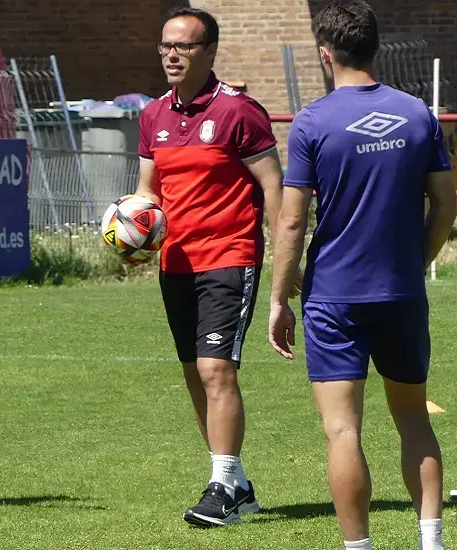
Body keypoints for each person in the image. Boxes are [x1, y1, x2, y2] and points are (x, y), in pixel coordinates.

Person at [267, 1, 456, 549]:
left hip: (333, 298)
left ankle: (358, 547)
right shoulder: (417, 113)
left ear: (326, 56)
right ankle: (431, 541)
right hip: (401, 292)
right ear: (375, 48)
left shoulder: (313, 121)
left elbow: (292, 219)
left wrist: (280, 298)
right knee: (414, 420)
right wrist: (417, 260)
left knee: (343, 430)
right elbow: (446, 203)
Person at [136, 7, 286, 528]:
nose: (171, 55)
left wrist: (283, 255)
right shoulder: (152, 115)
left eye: (184, 46)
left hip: (230, 254)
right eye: (164, 46)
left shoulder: (239, 112)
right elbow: (147, 193)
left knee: (215, 369)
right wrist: (131, 226)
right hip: (175, 261)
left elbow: (273, 186)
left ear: (210, 52)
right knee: (193, 373)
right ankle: (235, 483)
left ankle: (222, 485)